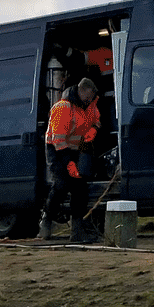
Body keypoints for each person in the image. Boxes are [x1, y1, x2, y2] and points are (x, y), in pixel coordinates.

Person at [40, 77, 100, 244]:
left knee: (80, 189)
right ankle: (46, 220)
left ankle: (77, 231)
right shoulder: (63, 107)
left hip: (72, 151)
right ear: (81, 91)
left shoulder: (81, 108)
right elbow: (59, 139)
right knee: (61, 185)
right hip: (57, 151)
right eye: (88, 96)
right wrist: (68, 161)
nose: (89, 100)